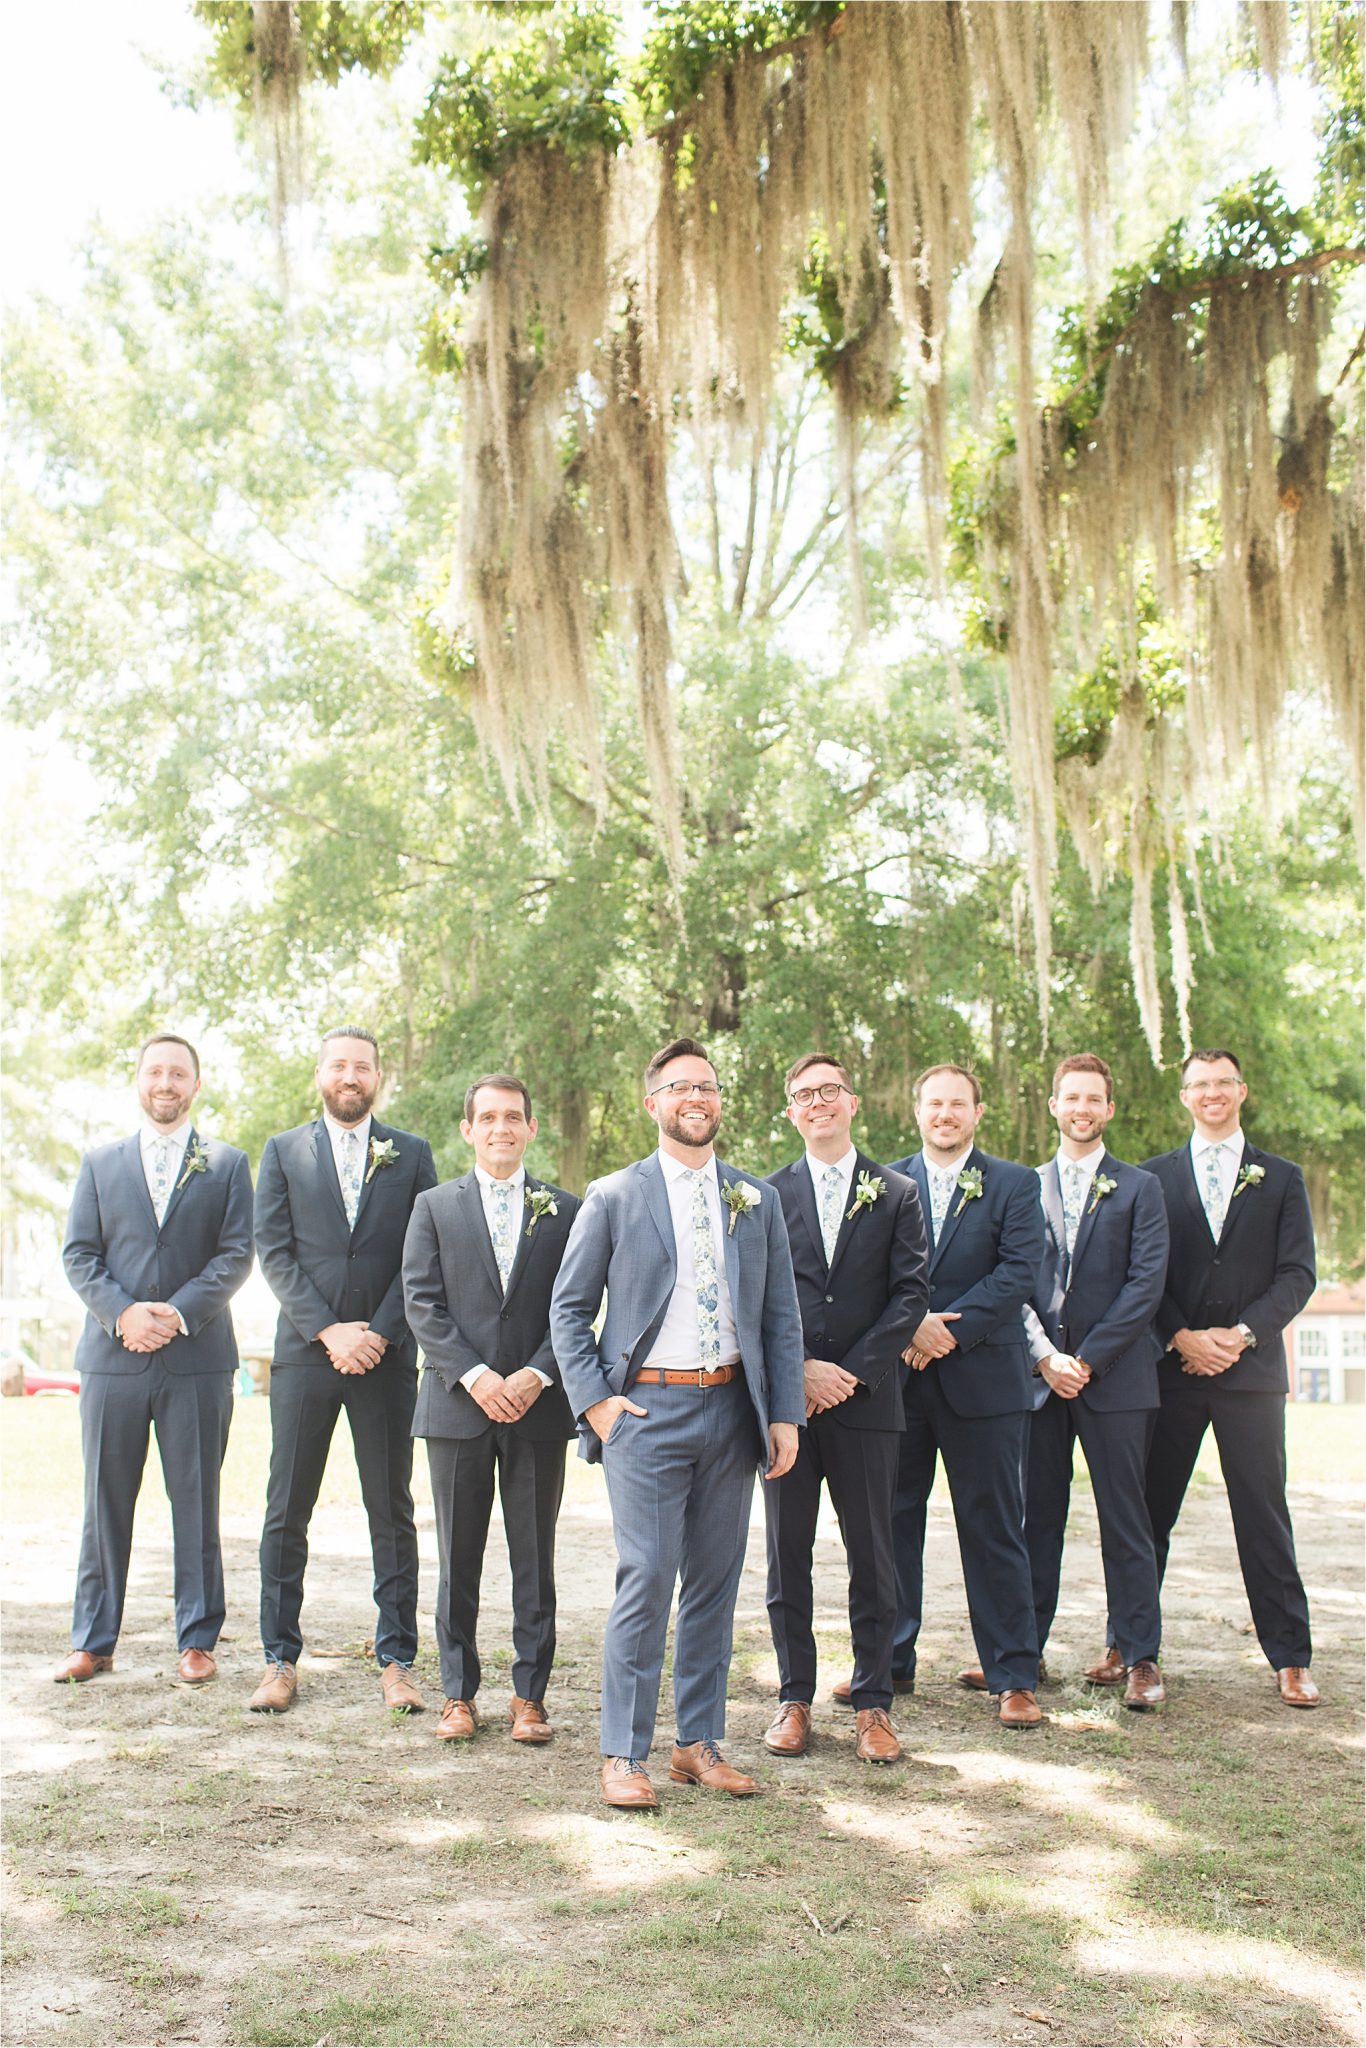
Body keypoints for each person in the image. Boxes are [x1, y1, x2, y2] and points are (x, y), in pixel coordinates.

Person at [550, 1036, 805, 1809]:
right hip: (646, 1413)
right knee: (648, 1577)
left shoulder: (754, 1199)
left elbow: (781, 1317)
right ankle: (624, 1753)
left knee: (715, 1585)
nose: (698, 1098)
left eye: (709, 1086)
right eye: (681, 1087)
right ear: (653, 1101)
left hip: (733, 1410)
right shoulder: (614, 1195)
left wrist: (784, 1413)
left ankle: (697, 1743)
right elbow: (567, 1309)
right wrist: (596, 1402)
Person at [251, 1027, 437, 1714]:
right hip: (305, 1353)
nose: (350, 1076)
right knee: (286, 1508)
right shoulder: (280, 1152)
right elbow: (273, 1251)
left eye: (362, 1066)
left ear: (378, 1077)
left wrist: (380, 1333)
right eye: (339, 1065)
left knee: (391, 1508)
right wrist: (329, 1330)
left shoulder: (412, 1154)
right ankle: (278, 1658)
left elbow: (424, 1254)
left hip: (387, 1359)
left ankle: (397, 1659)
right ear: (320, 1075)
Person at [58, 1033, 253, 1685]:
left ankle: (197, 1639)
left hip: (197, 1361)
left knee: (196, 1501)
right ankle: (93, 1640)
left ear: (196, 1085)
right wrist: (123, 1314)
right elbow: (79, 1254)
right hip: (112, 1361)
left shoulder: (226, 1164)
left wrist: (172, 1313)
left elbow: (235, 1254)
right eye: (155, 1072)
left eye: (178, 1073)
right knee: (103, 1500)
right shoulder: (100, 1164)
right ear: (138, 1081)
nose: (166, 1083)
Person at [1128, 1048, 1319, 1708]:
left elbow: (1298, 1274)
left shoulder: (1282, 1178)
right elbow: (1142, 1274)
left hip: (1252, 1373)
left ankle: (1291, 1657)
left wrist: (1240, 1336)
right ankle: (1134, 1651)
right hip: (1170, 1371)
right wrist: (1179, 1335)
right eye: (1198, 1085)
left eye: (1221, 1083)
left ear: (1242, 1090)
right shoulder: (1151, 1179)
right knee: (1148, 1515)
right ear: (1184, 1096)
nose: (1211, 1093)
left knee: (1263, 1516)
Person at [403, 1074, 580, 1745]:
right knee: (457, 1558)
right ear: (468, 1129)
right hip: (457, 1409)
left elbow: (578, 1306)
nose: (501, 1128)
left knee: (535, 1557)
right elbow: (422, 1303)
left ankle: (529, 1696)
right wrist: (476, 1376)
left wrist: (537, 1374)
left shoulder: (566, 1210)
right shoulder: (433, 1208)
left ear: (531, 1128)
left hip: (536, 1410)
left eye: (513, 1117)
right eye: (488, 1117)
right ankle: (457, 1693)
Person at [762, 1055, 928, 1765]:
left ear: (852, 1102)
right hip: (787, 1408)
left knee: (874, 1555)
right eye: (804, 1095)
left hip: (867, 1405)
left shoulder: (897, 1192)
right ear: (792, 1112)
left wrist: (851, 1374)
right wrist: (797, 1370)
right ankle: (794, 1698)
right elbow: (758, 1299)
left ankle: (872, 1705)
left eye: (830, 1090)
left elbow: (911, 1296)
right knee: (785, 1556)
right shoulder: (764, 1196)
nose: (818, 1103)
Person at [993, 1054, 1169, 1709]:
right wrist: (1045, 1357)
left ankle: (1141, 1657)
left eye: (1094, 1098)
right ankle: (1023, 1651)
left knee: (1128, 1521)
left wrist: (1087, 1359)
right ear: (1054, 1105)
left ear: (1109, 1109)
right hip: (1038, 1381)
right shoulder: (1020, 1185)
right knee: (1034, 1518)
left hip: (1117, 1380)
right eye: (1072, 1097)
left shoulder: (1140, 1187)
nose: (1082, 1108)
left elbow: (1146, 1284)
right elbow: (1011, 1279)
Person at [889, 1064, 1046, 1727]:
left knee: (995, 1529)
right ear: (917, 1110)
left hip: (985, 1380)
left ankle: (1013, 1674)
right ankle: (888, 1663)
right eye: (935, 1103)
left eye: (959, 1103)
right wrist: (910, 1327)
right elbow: (871, 1271)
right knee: (893, 1525)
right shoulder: (885, 1182)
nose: (946, 1113)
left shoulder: (1014, 1182)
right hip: (899, 1381)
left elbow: (1020, 1270)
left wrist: (946, 1332)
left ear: (979, 1112)